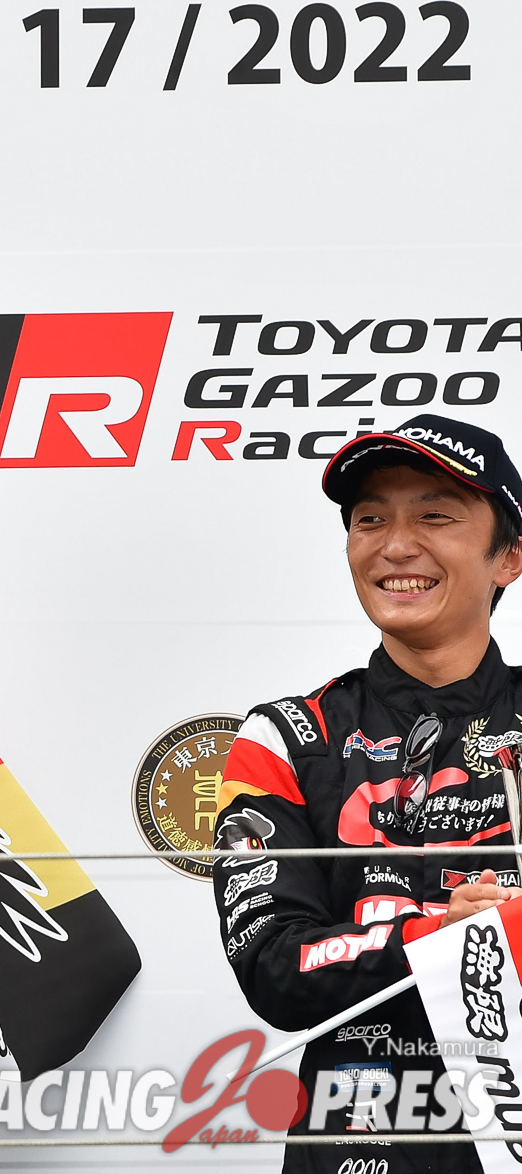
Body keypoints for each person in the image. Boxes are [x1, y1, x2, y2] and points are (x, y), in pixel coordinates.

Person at [214, 414, 522, 1171]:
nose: (396, 545)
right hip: (361, 1140)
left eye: (435, 516)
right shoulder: (286, 736)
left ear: (509, 557)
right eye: (370, 520)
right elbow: (273, 967)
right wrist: (442, 935)